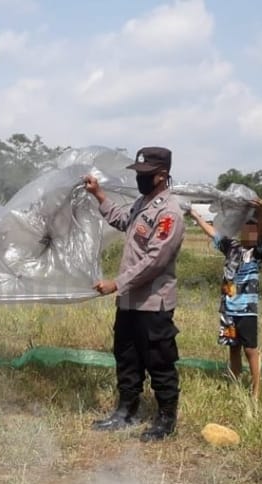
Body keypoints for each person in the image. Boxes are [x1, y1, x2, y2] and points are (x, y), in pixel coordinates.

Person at [83, 147, 185, 441]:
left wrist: (116, 283)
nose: (140, 179)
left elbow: (155, 260)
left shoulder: (169, 213)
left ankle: (165, 419)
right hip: (129, 301)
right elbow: (122, 220)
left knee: (159, 361)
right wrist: (99, 195)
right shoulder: (143, 202)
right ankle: (125, 411)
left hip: (153, 303)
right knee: (126, 357)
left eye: (145, 175)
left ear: (162, 175)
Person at [188, 201, 262, 398]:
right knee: (233, 348)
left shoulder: (256, 252)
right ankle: (235, 383)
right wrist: (195, 215)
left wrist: (259, 211)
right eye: (246, 230)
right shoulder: (231, 247)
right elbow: (212, 232)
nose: (250, 234)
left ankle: (256, 390)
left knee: (250, 350)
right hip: (228, 310)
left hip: (247, 310)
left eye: (254, 231)